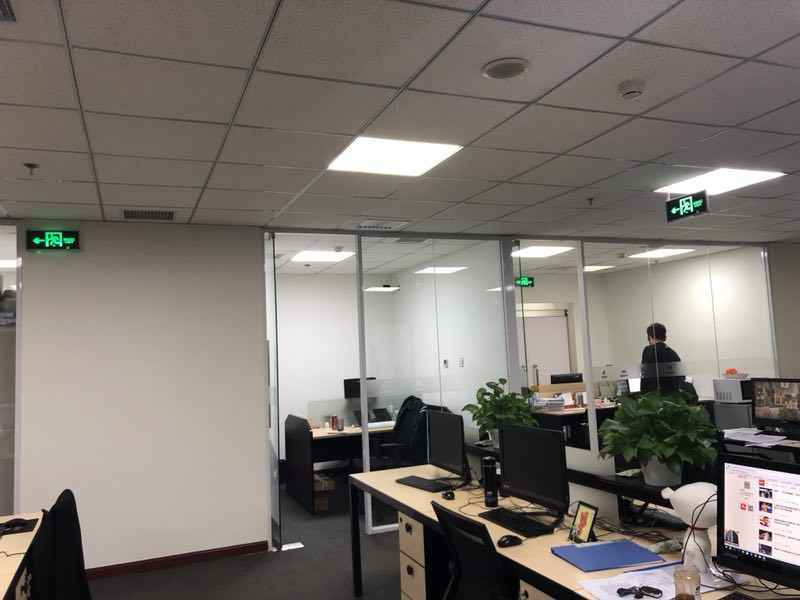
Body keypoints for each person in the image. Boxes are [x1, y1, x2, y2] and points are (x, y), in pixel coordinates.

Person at [641, 322, 683, 393]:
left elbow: (645, 377)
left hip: (654, 395)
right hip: (672, 395)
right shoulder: (672, 353)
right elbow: (680, 377)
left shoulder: (648, 350)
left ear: (650, 336)